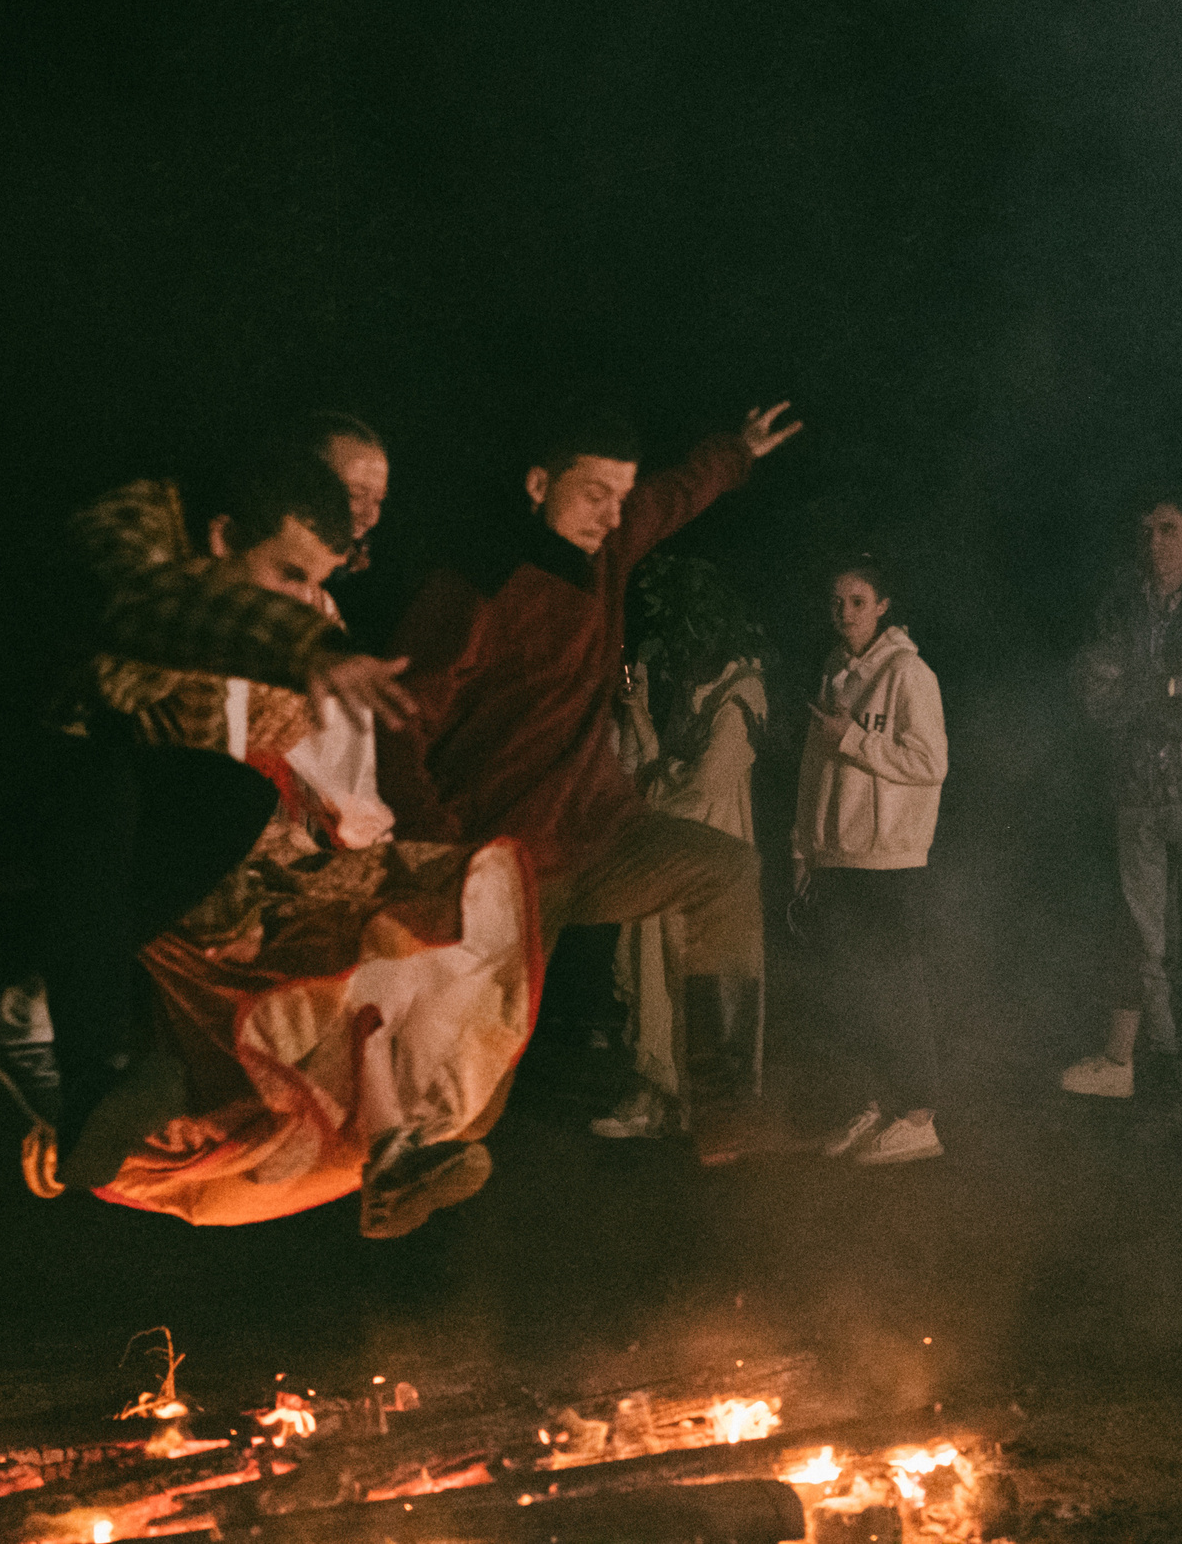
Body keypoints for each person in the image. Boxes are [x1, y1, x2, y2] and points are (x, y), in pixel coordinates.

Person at [0, 415, 417, 1180]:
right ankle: (89, 1073)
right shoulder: (126, 528)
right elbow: (146, 605)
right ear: (222, 536)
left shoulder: (207, 631)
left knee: (229, 795)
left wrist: (230, 921)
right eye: (288, 576)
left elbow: (196, 760)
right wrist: (307, 648)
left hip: (16, 804)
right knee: (96, 780)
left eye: (315, 587)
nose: (303, 603)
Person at [66, 417, 538, 1234]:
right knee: (300, 975)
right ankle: (84, 1108)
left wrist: (357, 838)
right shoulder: (199, 598)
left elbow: (332, 762)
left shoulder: (307, 611)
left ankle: (392, 1144)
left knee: (386, 933)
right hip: (191, 852)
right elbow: (174, 676)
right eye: (350, 492)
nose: (363, 515)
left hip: (269, 839)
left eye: (375, 499)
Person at [375, 400, 803, 1139]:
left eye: (619, 498)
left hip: (600, 835)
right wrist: (434, 847)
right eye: (594, 494)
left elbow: (671, 497)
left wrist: (738, 451)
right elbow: (396, 721)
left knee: (726, 869)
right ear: (539, 484)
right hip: (507, 868)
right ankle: (417, 1162)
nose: (611, 515)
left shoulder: (607, 554)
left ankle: (722, 1102)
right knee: (471, 1094)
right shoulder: (475, 588)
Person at [1058, 492, 1182, 1125]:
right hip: (1137, 794)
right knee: (1151, 946)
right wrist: (1174, 687)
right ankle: (1170, 1068)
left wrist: (1140, 691)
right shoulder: (1119, 605)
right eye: (1148, 531)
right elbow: (1094, 697)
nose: (1156, 543)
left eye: (1169, 530)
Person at [596, 554, 770, 1140]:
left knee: (706, 980)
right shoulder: (691, 691)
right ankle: (659, 1093)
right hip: (674, 848)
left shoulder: (742, 693)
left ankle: (712, 1107)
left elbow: (703, 789)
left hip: (712, 851)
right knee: (655, 973)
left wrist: (657, 787)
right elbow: (656, 769)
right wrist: (639, 714)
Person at [794, 557, 949, 1166]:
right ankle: (878, 1103)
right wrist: (804, 846)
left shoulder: (909, 673)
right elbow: (816, 767)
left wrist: (855, 739)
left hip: (889, 859)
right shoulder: (835, 669)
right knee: (853, 991)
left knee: (896, 987)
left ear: (883, 606)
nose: (845, 614)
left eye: (858, 602)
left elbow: (931, 762)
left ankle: (920, 1118)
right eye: (837, 602)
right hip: (838, 854)